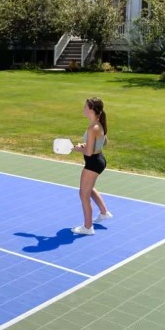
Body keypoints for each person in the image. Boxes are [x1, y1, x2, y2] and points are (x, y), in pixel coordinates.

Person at [71, 97, 112, 235]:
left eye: (85, 107)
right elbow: (103, 143)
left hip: (93, 163)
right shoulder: (99, 124)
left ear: (91, 110)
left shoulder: (92, 128)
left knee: (83, 194)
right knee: (89, 188)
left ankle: (88, 227)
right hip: (99, 159)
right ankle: (104, 212)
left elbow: (88, 152)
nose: (84, 109)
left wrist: (76, 148)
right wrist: (87, 145)